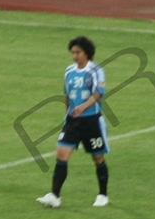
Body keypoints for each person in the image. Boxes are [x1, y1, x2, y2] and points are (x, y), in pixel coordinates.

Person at [36, 36, 109, 209]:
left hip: (91, 121)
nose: (74, 56)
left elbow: (99, 93)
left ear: (86, 53)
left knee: (98, 157)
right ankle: (55, 195)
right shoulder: (69, 71)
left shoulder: (95, 70)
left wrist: (83, 107)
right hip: (72, 122)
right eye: (73, 52)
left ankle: (103, 194)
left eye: (78, 52)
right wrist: (66, 116)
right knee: (61, 154)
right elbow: (67, 95)